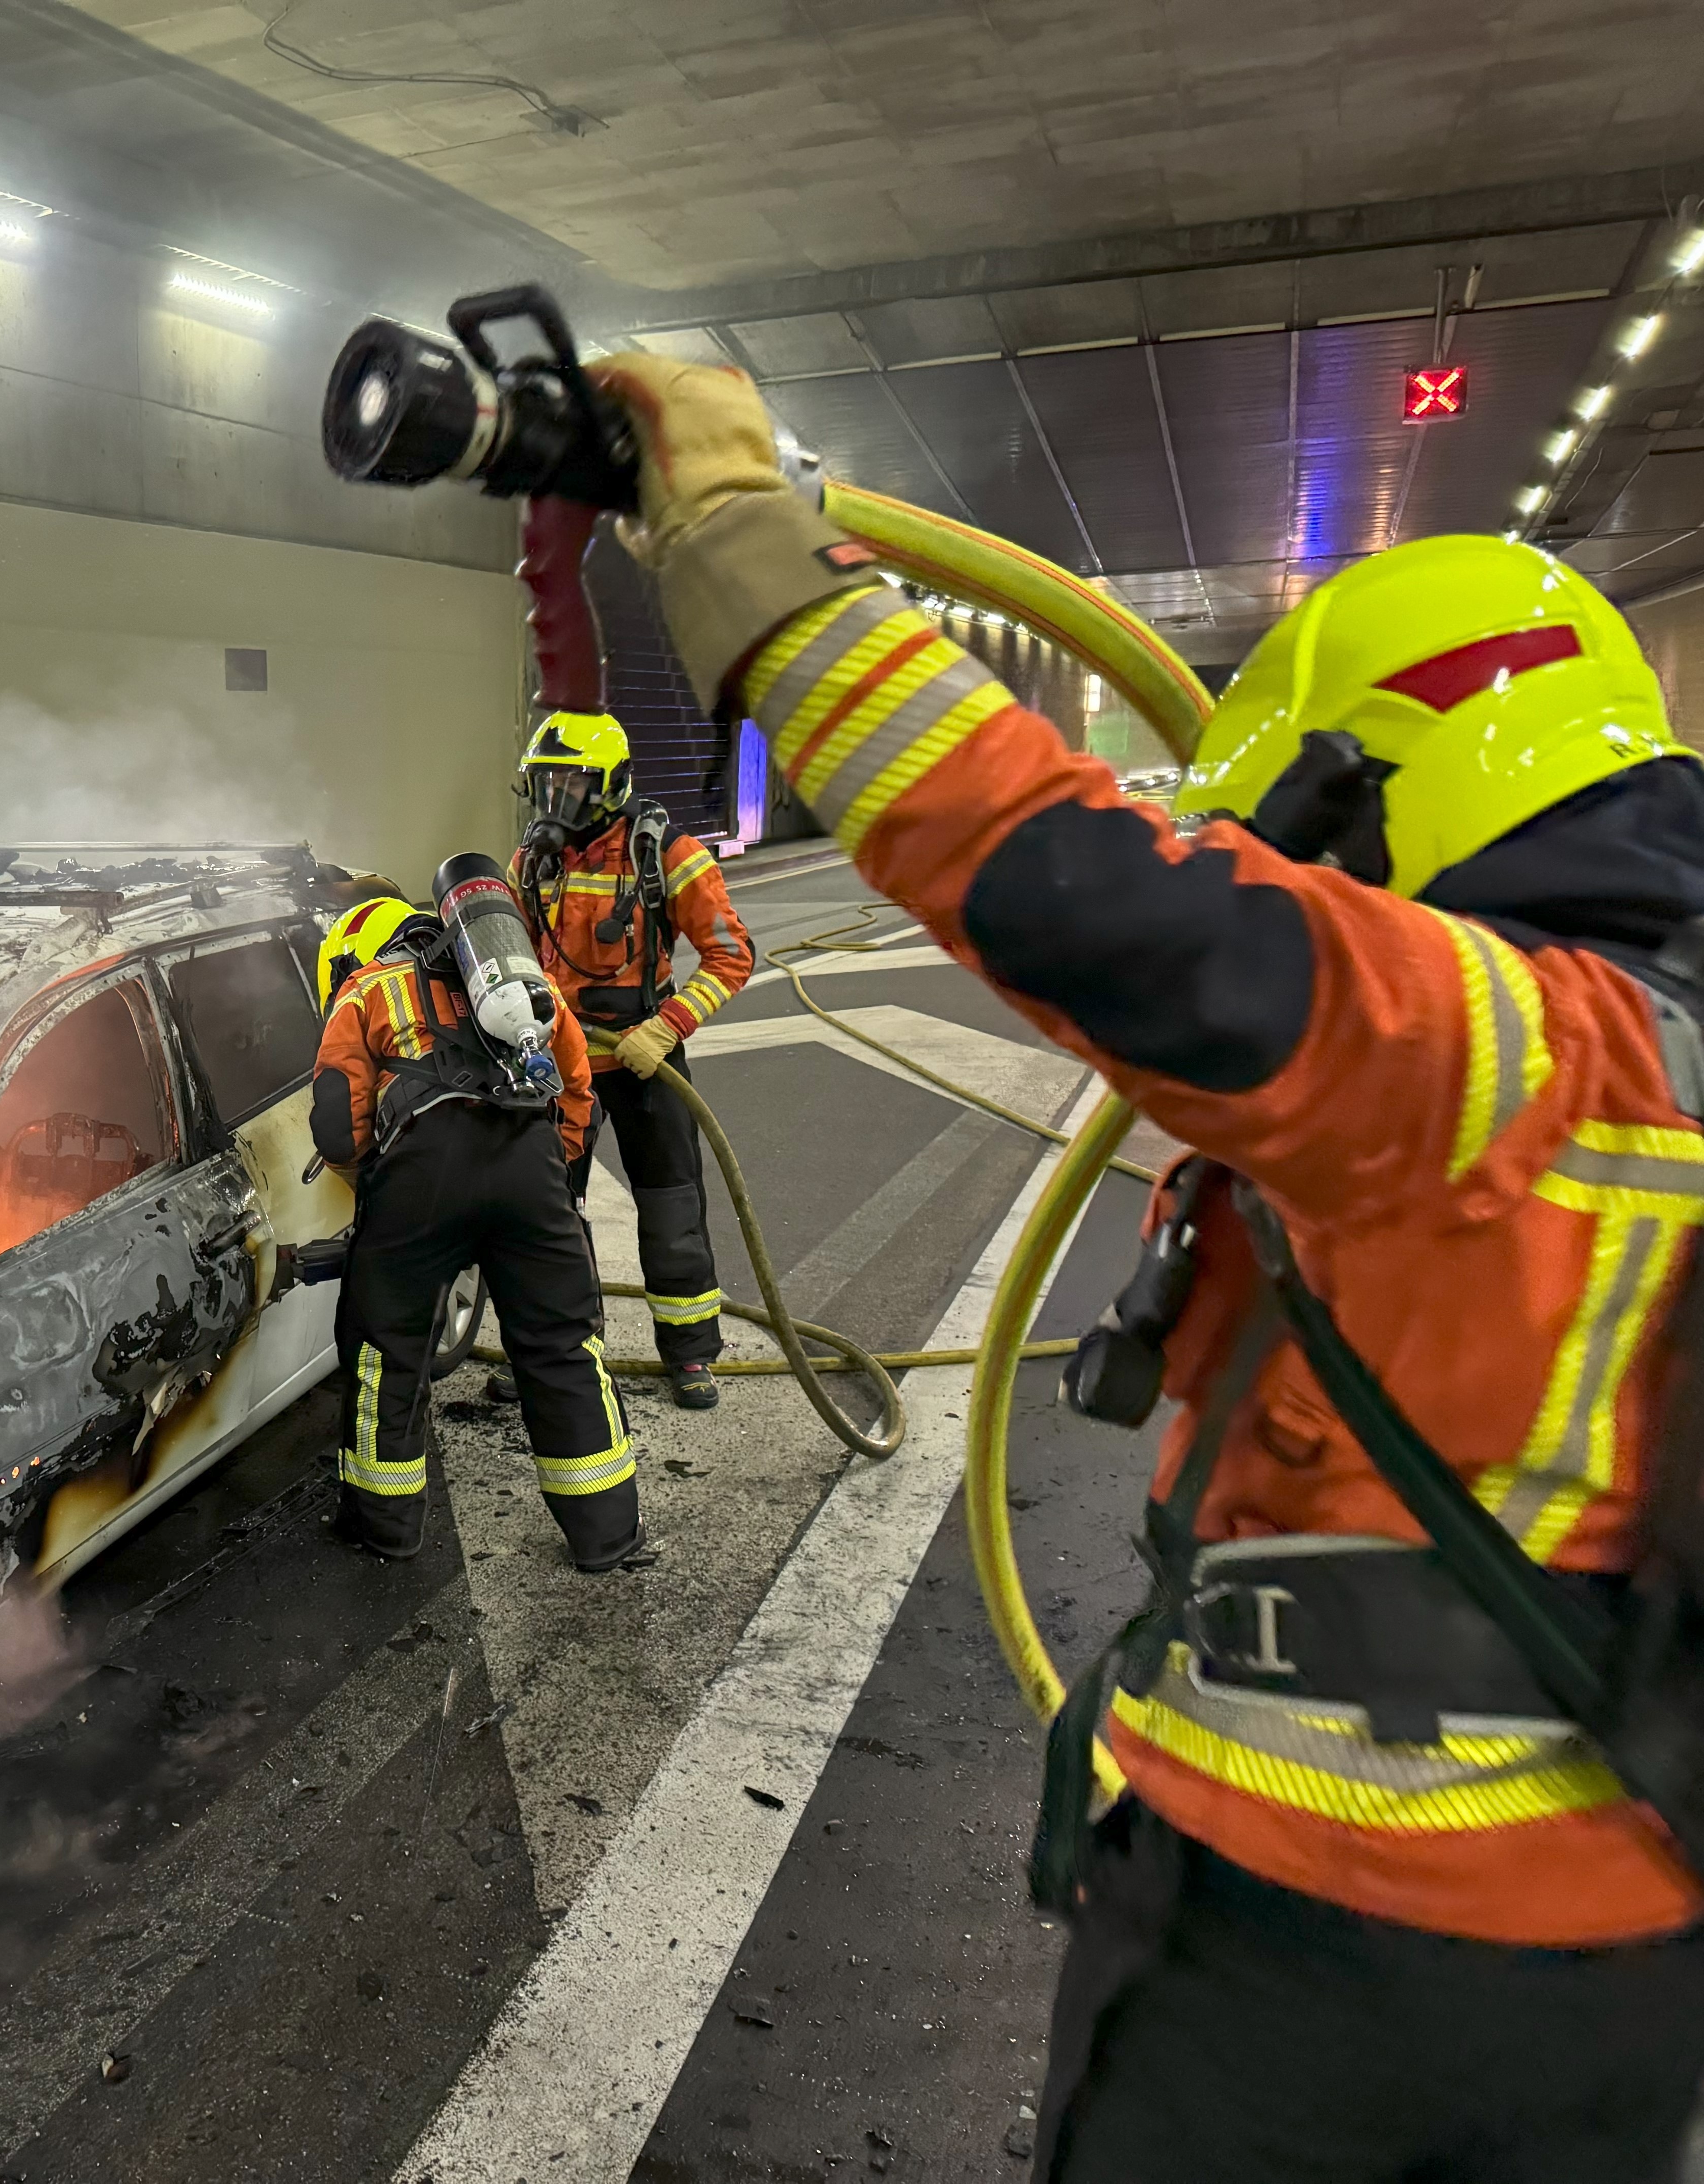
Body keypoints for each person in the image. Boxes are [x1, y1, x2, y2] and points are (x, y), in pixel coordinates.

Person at [586, 349, 1704, 2180]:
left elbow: (1086, 892)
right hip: (1610, 1959)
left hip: (1332, 1963)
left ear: (1384, 787)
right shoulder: (1656, 1051)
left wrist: (734, 550)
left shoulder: (1505, 1041)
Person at [308, 892, 647, 1572]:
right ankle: (608, 1537)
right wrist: (546, 1178)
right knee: (564, 1347)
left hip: (422, 1179)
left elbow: (337, 1128)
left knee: (388, 1351)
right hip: (531, 1172)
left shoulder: (367, 990)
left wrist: (377, 1182)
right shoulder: (527, 986)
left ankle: (386, 1529)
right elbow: (577, 1096)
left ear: (358, 949)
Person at [509, 713, 756, 1408]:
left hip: (647, 1058)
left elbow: (732, 955)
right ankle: (559, 1351)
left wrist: (668, 1026)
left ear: (612, 787)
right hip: (559, 1064)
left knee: (671, 1207)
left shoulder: (668, 856)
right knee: (549, 1215)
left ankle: (690, 1355)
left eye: (574, 784)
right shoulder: (533, 863)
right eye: (547, 783)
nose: (557, 800)